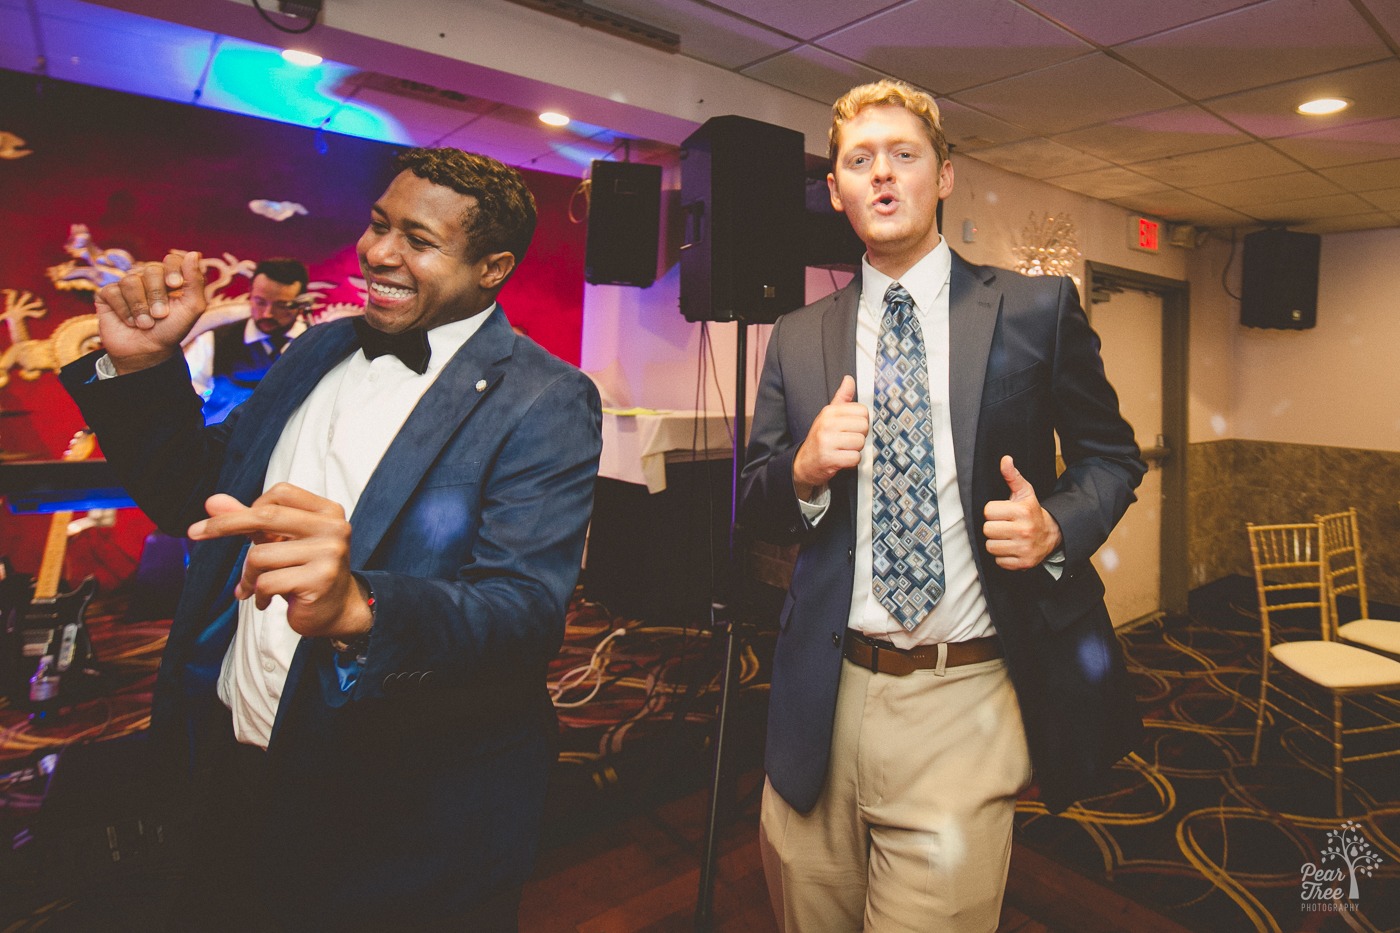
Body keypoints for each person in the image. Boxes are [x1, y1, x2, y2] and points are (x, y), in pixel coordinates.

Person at [60, 148, 603, 931]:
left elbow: (523, 613)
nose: (379, 251)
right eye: (379, 224)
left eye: (418, 239)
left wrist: (362, 604)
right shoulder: (317, 347)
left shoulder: (547, 398)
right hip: (228, 762)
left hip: (394, 807)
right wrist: (144, 364)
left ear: (492, 268)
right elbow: (200, 499)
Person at [739, 80, 1146, 933]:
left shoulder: (1036, 310)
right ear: (836, 190)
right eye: (860, 161)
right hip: (822, 693)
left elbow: (1112, 457)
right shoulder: (797, 334)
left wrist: (1057, 525)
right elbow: (755, 499)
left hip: (965, 692)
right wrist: (805, 470)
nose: (881, 175)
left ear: (944, 176)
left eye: (904, 155)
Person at [184, 257, 311, 423]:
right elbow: (186, 397)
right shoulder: (214, 341)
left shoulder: (315, 344)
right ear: (250, 295)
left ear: (300, 304)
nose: (267, 314)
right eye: (260, 302)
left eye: (281, 305)